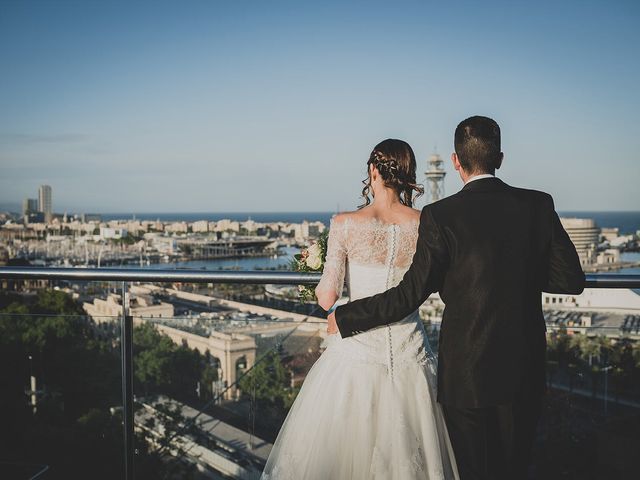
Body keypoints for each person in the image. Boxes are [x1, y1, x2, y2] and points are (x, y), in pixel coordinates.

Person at [328, 116, 585, 479]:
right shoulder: (538, 205)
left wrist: (346, 316)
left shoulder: (440, 215)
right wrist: (513, 270)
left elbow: (408, 295)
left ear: (454, 162)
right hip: (522, 370)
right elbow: (571, 280)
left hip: (466, 374)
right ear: (499, 158)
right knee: (514, 469)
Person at [261, 139, 459, 479]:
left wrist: (314, 269)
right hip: (409, 349)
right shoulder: (426, 222)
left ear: (372, 171)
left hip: (357, 351)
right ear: (408, 175)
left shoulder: (345, 223)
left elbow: (327, 298)